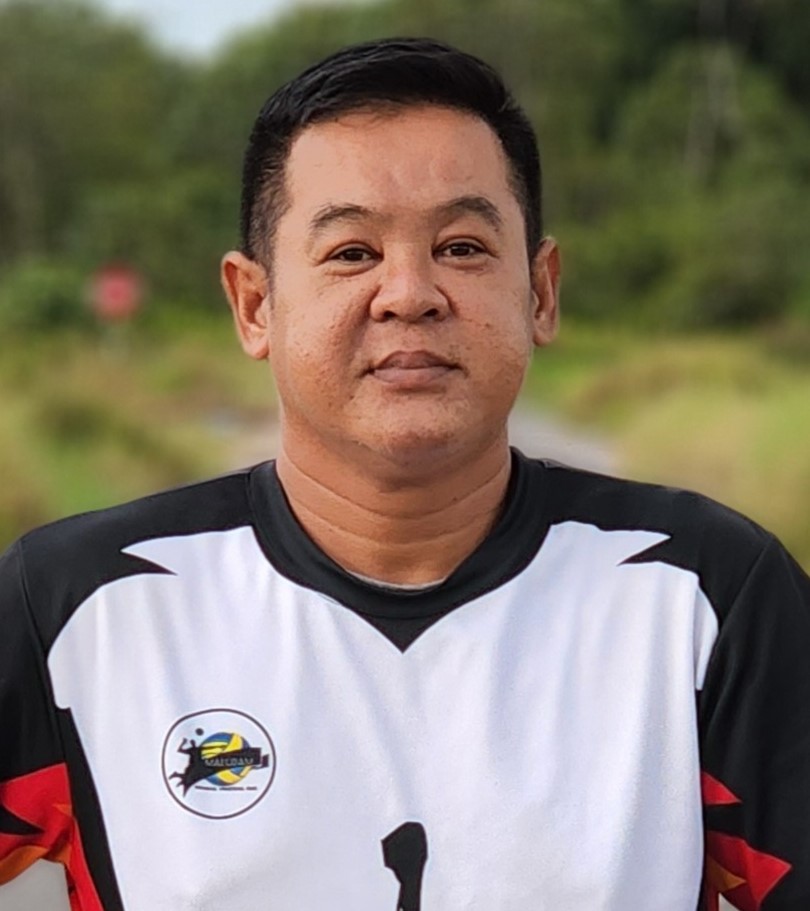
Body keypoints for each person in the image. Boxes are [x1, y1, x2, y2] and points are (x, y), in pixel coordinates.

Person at [0, 37, 808, 911]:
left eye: (461, 246)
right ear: (255, 303)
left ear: (540, 291)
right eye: (352, 252)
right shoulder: (77, 608)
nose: (409, 293)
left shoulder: (704, 596)